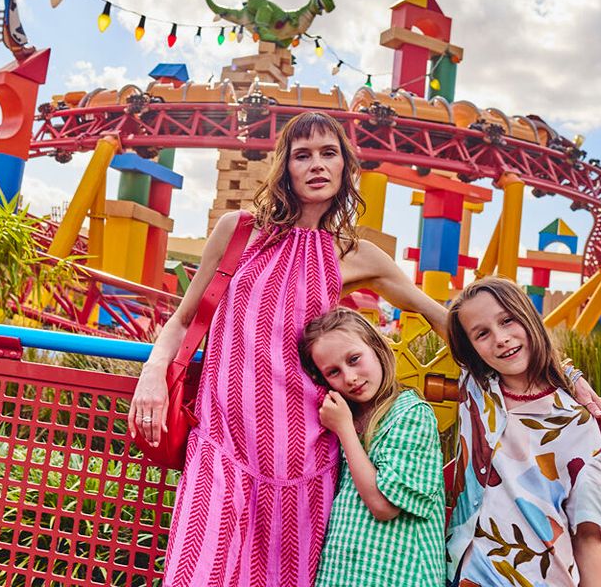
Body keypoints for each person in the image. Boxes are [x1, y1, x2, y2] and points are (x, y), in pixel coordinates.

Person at [128, 111, 449, 587]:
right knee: (199, 573)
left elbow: (448, 322)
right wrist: (153, 375)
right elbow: (181, 320)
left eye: (329, 153)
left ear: (344, 168)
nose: (317, 165)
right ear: (286, 167)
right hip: (224, 443)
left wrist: (560, 377)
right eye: (303, 155)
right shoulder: (239, 232)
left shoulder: (355, 255)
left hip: (306, 457)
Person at [444, 277, 601, 587]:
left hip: (541, 579)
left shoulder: (577, 422)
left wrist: (567, 373)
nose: (501, 338)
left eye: (508, 320)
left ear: (528, 316)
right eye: (482, 334)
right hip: (467, 573)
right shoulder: (477, 389)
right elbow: (439, 316)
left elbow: (588, 531)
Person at [299, 307, 445, 587]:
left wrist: (343, 430)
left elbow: (383, 506)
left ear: (377, 348)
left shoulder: (410, 414)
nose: (350, 377)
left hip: (399, 575)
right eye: (333, 372)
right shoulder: (348, 416)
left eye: (354, 359)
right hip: (345, 573)